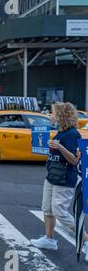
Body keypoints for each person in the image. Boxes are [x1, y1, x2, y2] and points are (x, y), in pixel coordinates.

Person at [31, 102, 88, 260]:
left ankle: (86, 240)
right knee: (47, 209)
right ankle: (49, 239)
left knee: (60, 212)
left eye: (53, 113)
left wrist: (59, 147)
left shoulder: (72, 134)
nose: (51, 115)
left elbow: (74, 161)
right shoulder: (61, 132)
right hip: (52, 176)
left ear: (61, 116)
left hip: (64, 178)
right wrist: (48, 146)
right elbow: (57, 153)